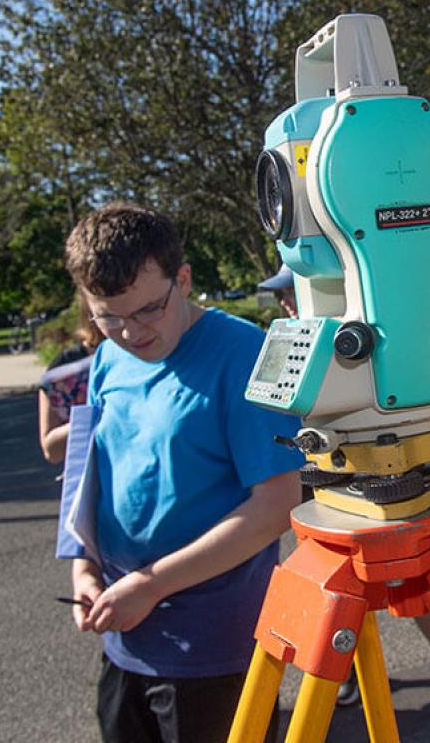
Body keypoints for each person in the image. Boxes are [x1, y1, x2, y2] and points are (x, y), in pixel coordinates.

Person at [63, 201, 303, 742]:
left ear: (184, 278)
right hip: (125, 633)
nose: (130, 333)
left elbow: (277, 505)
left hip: (213, 647)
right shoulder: (107, 356)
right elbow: (87, 467)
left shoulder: (243, 353)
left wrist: (150, 585)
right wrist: (82, 565)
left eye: (149, 309)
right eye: (108, 315)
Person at [256, 255, 430, 706]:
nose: (289, 304)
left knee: (410, 578)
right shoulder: (296, 344)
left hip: (386, 481)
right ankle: (339, 671)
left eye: (292, 291)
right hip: (330, 481)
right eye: (283, 295)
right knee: (336, 586)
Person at [38, 294, 105, 464]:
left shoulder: (148, 353)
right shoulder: (64, 368)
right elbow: (51, 450)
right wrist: (96, 418)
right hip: (91, 477)